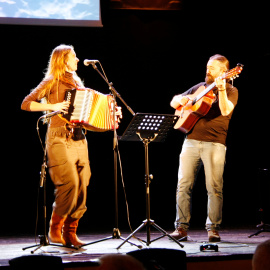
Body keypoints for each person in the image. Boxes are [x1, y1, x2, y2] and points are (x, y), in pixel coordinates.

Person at [21, 44, 121, 247]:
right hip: (58, 138)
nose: (77, 59)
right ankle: (55, 228)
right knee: (70, 184)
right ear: (63, 60)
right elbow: (26, 103)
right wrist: (52, 106)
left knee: (83, 184)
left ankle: (70, 231)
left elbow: (86, 120)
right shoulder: (52, 80)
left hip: (79, 138)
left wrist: (111, 119)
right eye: (74, 56)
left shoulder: (77, 83)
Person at [169, 54, 239, 242]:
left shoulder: (231, 90)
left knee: (214, 187)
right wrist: (182, 101)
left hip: (215, 143)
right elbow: (174, 101)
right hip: (190, 141)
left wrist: (222, 90)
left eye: (213, 68)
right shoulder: (200, 87)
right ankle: (181, 228)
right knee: (183, 185)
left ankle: (213, 228)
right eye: (207, 66)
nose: (208, 70)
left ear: (224, 72)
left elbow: (225, 110)